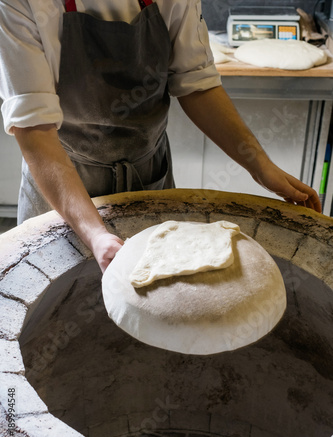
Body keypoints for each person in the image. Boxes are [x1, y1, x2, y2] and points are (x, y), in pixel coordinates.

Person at [0, 0, 321, 273]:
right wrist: (96, 234)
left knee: (159, 302)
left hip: (148, 177)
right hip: (62, 186)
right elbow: (35, 130)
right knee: (56, 307)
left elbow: (197, 84)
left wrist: (262, 168)